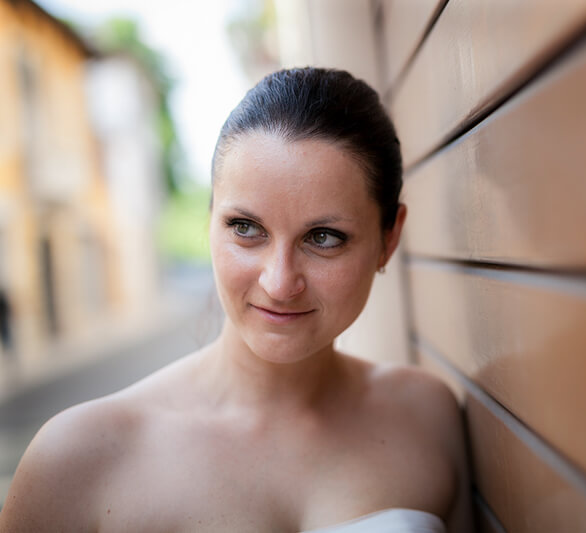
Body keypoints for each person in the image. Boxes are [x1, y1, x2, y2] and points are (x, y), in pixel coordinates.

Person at [0, 67, 472, 532]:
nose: (279, 282)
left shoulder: (427, 416)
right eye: (246, 229)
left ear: (389, 239)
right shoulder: (76, 460)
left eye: (324, 237)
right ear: (210, 220)